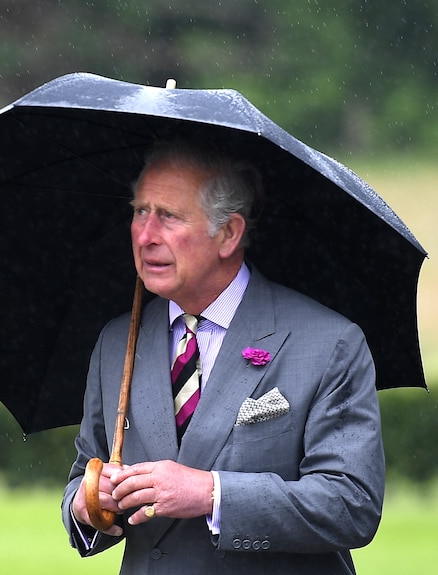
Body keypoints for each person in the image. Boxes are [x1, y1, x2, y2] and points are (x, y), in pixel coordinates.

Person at [61, 139, 384, 574]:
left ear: (229, 233)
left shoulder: (329, 343)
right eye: (140, 211)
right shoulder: (119, 340)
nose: (145, 234)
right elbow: (84, 475)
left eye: (169, 216)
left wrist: (211, 493)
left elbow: (351, 505)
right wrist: (88, 502)